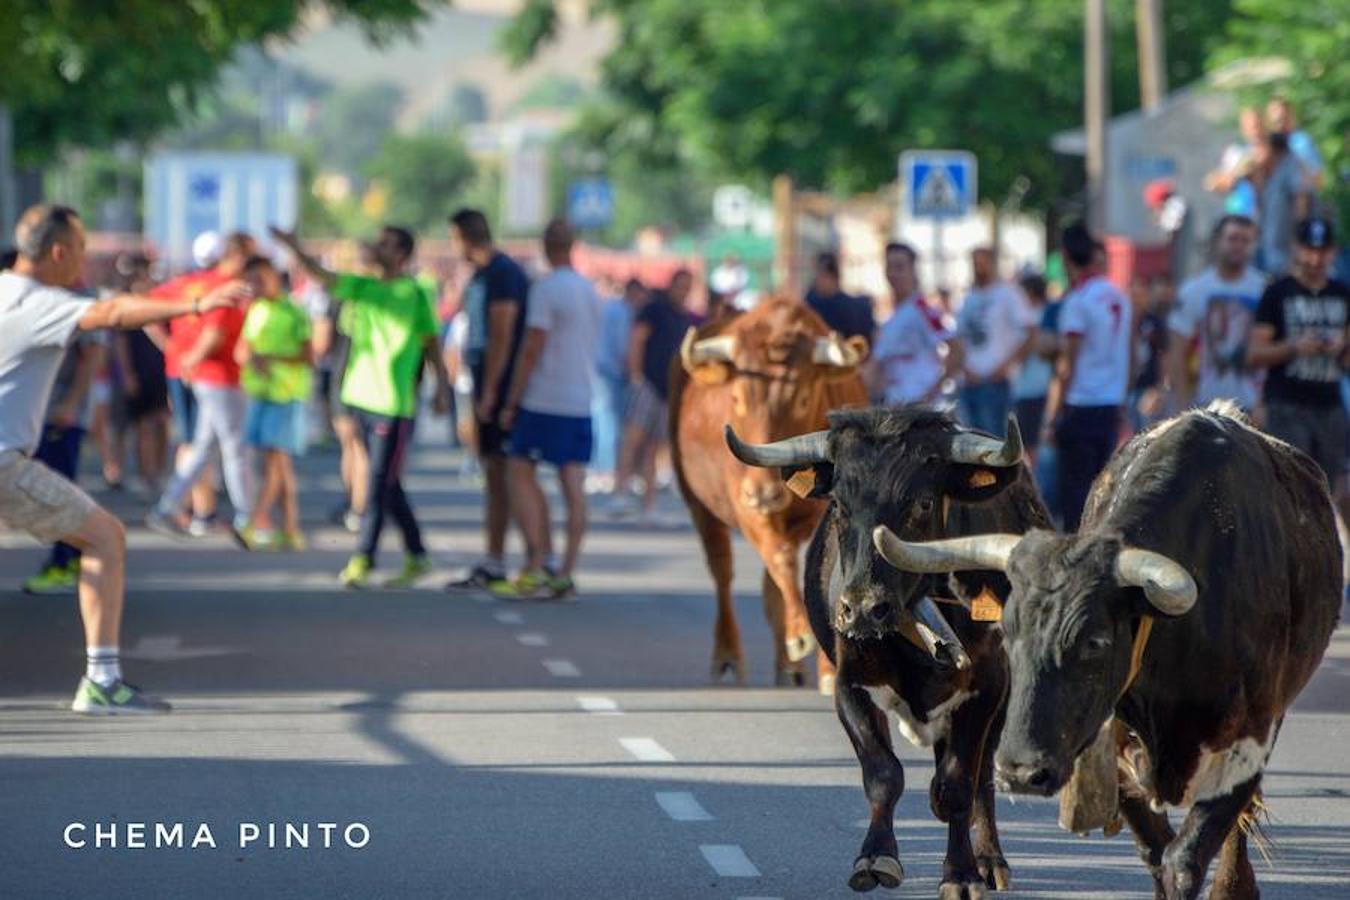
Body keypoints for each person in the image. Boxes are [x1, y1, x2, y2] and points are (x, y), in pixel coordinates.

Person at [0, 204, 248, 713]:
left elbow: (113, 301)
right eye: (82, 249)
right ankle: (102, 680)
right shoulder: (39, 301)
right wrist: (196, 306)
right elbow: (112, 314)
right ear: (58, 251)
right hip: (4, 463)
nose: (84, 260)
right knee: (105, 536)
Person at [273, 224, 451, 587]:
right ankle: (418, 555)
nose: (377, 248)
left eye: (385, 245)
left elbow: (431, 342)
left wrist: (442, 386)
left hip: (393, 403)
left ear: (401, 255)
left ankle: (363, 559)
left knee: (377, 484)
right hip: (358, 397)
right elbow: (323, 276)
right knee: (387, 481)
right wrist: (296, 247)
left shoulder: (416, 293)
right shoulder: (363, 287)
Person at [497, 220, 602, 599]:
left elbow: (532, 346)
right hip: (580, 399)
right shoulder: (590, 291)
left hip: (544, 398)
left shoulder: (545, 289)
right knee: (573, 484)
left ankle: (538, 561)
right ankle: (567, 570)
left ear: (545, 246)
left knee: (519, 470)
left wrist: (511, 399)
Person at [146, 234, 258, 547]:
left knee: (201, 444)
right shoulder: (226, 287)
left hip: (192, 374)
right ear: (234, 255)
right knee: (234, 447)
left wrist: (174, 352)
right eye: (248, 258)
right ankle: (246, 518)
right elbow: (214, 334)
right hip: (218, 376)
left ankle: (168, 507)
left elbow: (145, 309)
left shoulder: (187, 284)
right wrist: (189, 357)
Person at [444, 208, 531, 591]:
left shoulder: (503, 273)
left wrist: (493, 390)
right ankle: (494, 558)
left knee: (507, 474)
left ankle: (532, 559)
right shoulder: (481, 274)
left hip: (498, 385)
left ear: (464, 236)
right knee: (493, 472)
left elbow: (502, 334)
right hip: (482, 381)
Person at [1042, 222, 1133, 531]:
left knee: (1076, 496)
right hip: (1111, 405)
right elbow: (1131, 354)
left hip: (1080, 406)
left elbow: (1066, 365)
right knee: (1106, 491)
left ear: (1066, 257)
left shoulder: (1077, 302)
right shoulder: (1119, 297)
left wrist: (1052, 417)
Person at [1247, 217, 1349, 493]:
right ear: (1296, 249)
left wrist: (1341, 346)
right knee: (1291, 486)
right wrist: (1293, 347)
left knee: (1330, 490)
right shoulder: (1278, 292)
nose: (1315, 259)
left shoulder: (1343, 293)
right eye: (1309, 250)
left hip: (1329, 404)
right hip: (1287, 404)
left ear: (1332, 252)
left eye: (1322, 251)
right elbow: (1254, 353)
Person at [21, 305, 106, 595]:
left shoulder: (76, 303)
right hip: (34, 414)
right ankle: (70, 558)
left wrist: (71, 403)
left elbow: (93, 355)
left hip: (58, 414)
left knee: (57, 490)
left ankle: (67, 561)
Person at [236, 256, 313, 550]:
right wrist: (249, 357)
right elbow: (243, 348)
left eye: (259, 279)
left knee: (275, 464)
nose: (254, 286)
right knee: (280, 467)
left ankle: (254, 521)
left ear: (273, 276)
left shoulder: (294, 311)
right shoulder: (256, 309)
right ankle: (292, 530)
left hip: (286, 394)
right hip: (261, 393)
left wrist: (271, 359)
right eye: (250, 280)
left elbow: (308, 356)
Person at [614, 269, 693, 523]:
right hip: (647, 384)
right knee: (632, 440)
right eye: (680, 286)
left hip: (668, 389)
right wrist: (636, 376)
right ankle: (621, 493)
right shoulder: (655, 309)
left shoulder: (684, 318)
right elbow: (637, 339)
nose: (683, 291)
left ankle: (648, 506)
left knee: (652, 449)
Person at [1165, 215, 1267, 413]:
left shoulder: (1264, 289)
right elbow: (1178, 351)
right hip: (1207, 403)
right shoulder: (1194, 290)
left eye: (1245, 240)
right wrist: (1183, 405)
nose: (1238, 246)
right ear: (1218, 241)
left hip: (1253, 405)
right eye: (1232, 238)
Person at [954, 246, 1036, 434]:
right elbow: (957, 338)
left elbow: (1031, 331)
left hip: (996, 383)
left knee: (994, 441)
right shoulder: (968, 298)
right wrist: (963, 367)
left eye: (983, 263)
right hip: (970, 382)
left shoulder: (1008, 293)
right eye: (975, 263)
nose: (979, 268)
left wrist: (1009, 365)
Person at [871, 242, 962, 405]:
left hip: (921, 412)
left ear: (913, 270)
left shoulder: (923, 310)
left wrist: (932, 393)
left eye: (899, 267)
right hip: (894, 407)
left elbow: (957, 350)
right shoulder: (889, 321)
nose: (893, 274)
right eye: (889, 267)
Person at [112, 253, 170, 494]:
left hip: (161, 369)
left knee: (163, 423)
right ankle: (148, 476)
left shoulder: (160, 300)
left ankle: (159, 472)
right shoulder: (126, 304)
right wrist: (127, 374)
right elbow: (120, 343)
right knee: (144, 426)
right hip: (139, 370)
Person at [592, 278, 644, 491]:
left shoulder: (612, 308)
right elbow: (623, 348)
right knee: (610, 422)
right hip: (611, 372)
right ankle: (607, 471)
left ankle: (603, 470)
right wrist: (634, 374)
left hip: (602, 369)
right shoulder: (622, 312)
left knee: (604, 420)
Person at [1256, 131, 1310, 276]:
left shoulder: (1291, 166)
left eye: (1260, 148)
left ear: (1271, 149)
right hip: (1271, 247)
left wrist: (1299, 236)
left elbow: (1301, 198)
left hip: (1287, 249)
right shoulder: (1271, 171)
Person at [805, 251, 875, 342]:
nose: (817, 279)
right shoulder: (811, 303)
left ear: (833, 276)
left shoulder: (850, 307)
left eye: (821, 275)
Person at [1267, 97, 1324, 190]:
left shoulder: (1302, 142)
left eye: (1283, 118)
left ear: (1290, 114)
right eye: (1276, 120)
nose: (1279, 121)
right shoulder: (1266, 146)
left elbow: (1318, 178)